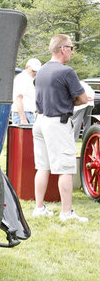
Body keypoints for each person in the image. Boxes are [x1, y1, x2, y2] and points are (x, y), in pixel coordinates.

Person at [32, 34, 91, 222]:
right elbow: (82, 98)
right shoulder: (66, 72)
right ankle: (66, 213)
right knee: (66, 168)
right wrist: (71, 100)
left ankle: (39, 208)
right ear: (63, 49)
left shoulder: (40, 71)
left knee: (42, 167)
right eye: (71, 48)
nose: (72, 52)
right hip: (57, 122)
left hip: (40, 121)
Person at [11, 58, 41, 125]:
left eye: (36, 70)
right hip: (23, 114)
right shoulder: (23, 78)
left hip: (28, 114)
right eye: (33, 70)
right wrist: (23, 119)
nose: (35, 72)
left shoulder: (29, 79)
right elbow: (18, 99)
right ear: (27, 67)